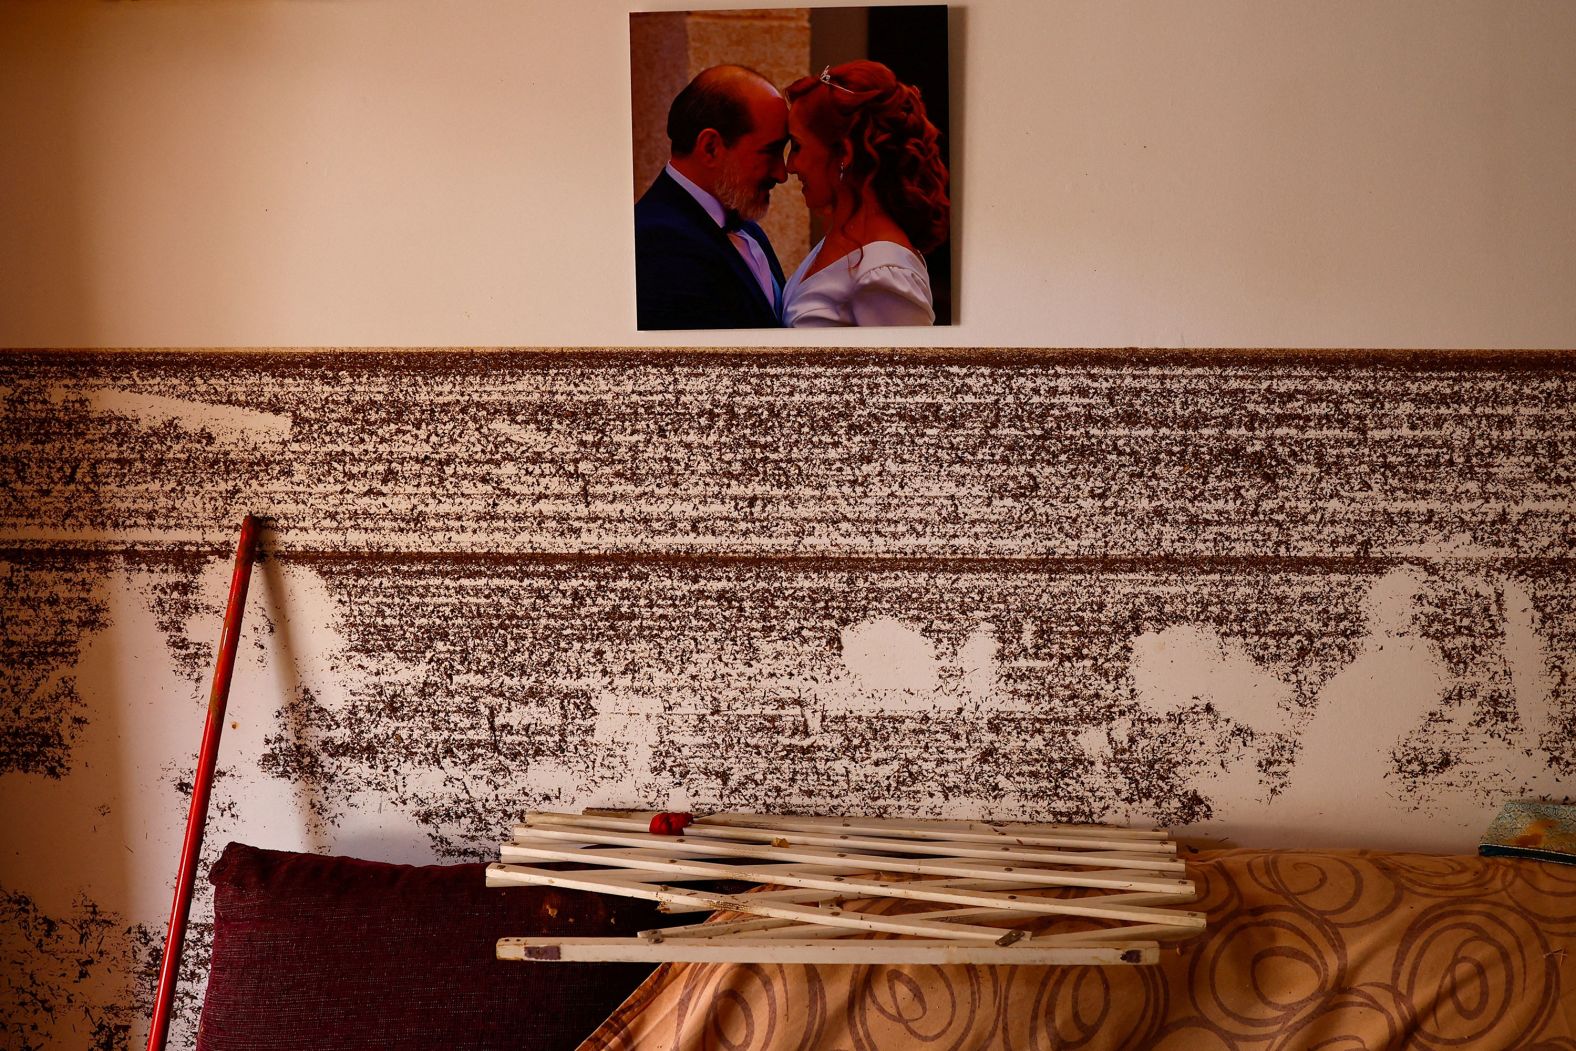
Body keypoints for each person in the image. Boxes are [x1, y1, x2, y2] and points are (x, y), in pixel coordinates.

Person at [781, 61, 950, 327]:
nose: (789, 166)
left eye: (798, 146)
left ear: (844, 155)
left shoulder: (885, 274)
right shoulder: (840, 236)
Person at [635, 65, 790, 330]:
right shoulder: (658, 245)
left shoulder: (746, 229)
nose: (782, 173)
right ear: (710, 148)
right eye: (770, 151)